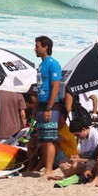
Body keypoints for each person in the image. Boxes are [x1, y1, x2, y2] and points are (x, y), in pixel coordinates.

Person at [34, 35, 62, 179]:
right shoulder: (41, 65)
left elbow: (56, 85)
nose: (35, 49)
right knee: (43, 139)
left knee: (50, 139)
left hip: (50, 106)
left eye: (37, 46)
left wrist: (49, 107)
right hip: (42, 104)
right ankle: (45, 167)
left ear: (45, 47)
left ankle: (49, 170)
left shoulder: (52, 63)